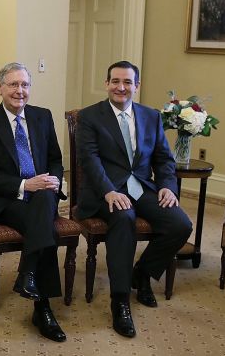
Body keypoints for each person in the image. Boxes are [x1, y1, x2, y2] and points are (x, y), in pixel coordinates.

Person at [76, 60, 192, 338]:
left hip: (142, 187)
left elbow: (164, 158)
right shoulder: (90, 117)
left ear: (137, 87)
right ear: (106, 84)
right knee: (123, 218)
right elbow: (89, 161)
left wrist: (167, 186)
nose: (121, 87)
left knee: (180, 224)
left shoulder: (151, 117)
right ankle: (120, 300)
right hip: (106, 191)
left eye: (127, 82)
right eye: (115, 81)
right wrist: (109, 191)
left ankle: (142, 273)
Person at [0, 62, 68, 343]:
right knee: (45, 225)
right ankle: (43, 309)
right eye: (13, 85)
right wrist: (26, 184)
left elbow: (55, 159)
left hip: (41, 195)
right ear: (0, 88)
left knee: (45, 200)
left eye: (25, 85)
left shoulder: (43, 116)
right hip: (6, 200)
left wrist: (54, 180)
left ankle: (30, 280)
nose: (19, 91)